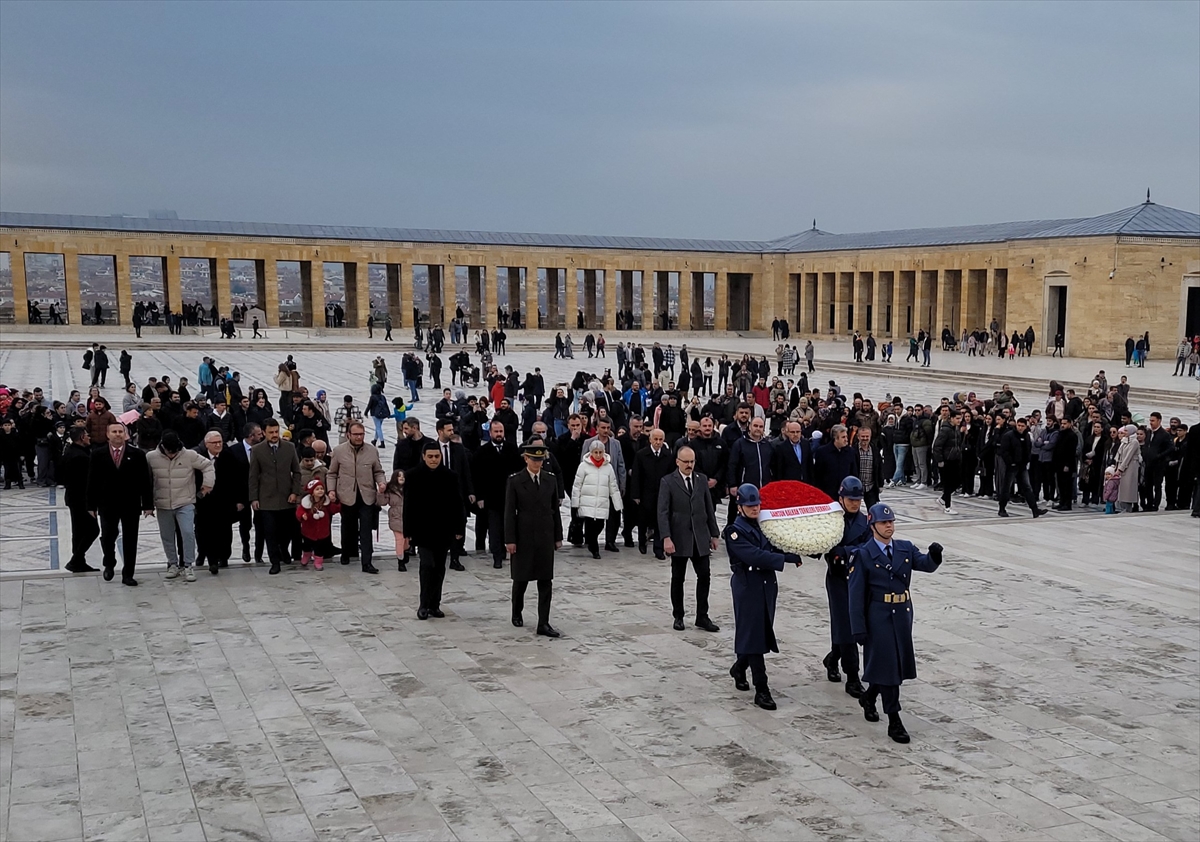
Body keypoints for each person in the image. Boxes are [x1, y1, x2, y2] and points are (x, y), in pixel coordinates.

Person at [848, 503, 944, 743]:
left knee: (894, 666)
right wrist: (858, 627)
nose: (889, 526)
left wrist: (934, 556)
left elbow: (925, 565)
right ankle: (894, 719)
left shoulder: (904, 548)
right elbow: (855, 595)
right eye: (883, 523)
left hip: (901, 615)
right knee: (889, 668)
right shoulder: (863, 554)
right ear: (873, 525)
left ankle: (869, 697)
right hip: (878, 617)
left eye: (891, 522)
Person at [724, 483, 803, 711]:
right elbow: (755, 556)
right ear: (739, 507)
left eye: (756, 504)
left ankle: (739, 668)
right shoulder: (734, 531)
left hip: (766, 586)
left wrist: (795, 552)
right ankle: (762, 688)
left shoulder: (763, 526)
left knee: (759, 632)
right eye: (749, 505)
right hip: (748, 587)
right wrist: (784, 560)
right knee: (755, 636)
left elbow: (776, 545)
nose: (754, 508)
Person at [658, 445, 720, 633]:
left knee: (705, 576)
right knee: (678, 578)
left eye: (692, 461)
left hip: (699, 536)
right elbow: (663, 512)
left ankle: (702, 616)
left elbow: (708, 507)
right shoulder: (668, 481)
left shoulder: (701, 480)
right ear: (678, 462)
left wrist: (714, 533)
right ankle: (678, 615)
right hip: (679, 536)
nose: (689, 465)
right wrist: (666, 538)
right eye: (686, 462)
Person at [505, 443, 564, 636]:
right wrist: (510, 539)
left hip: (545, 536)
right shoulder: (515, 481)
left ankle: (543, 622)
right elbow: (509, 513)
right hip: (524, 536)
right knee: (521, 579)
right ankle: (516, 611)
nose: (537, 462)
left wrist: (558, 536)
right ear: (526, 459)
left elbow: (554, 510)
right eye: (533, 459)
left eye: (540, 459)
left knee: (545, 580)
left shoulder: (550, 479)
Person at [87, 421, 154, 586]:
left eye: (120, 431)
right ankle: (109, 562)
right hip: (107, 503)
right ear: (108, 435)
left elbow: (145, 481)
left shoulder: (137, 454)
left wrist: (147, 504)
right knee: (108, 536)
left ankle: (128, 573)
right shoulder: (97, 454)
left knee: (131, 539)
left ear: (125, 434)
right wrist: (90, 505)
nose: (117, 434)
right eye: (114, 431)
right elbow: (92, 481)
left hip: (130, 503)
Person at [822, 477, 870, 698]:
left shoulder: (866, 522)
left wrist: (845, 551)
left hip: (858, 579)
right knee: (845, 624)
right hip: (838, 578)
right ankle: (852, 677)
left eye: (858, 499)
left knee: (850, 624)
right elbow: (821, 546)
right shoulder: (830, 520)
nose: (854, 503)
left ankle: (832, 658)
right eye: (850, 499)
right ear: (840, 498)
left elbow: (868, 548)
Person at [327, 421, 387, 574]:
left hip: (366, 495)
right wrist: (331, 490)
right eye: (356, 434)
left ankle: (367, 562)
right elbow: (332, 473)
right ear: (348, 435)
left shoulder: (372, 450)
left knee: (366, 529)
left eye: (361, 434)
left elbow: (378, 471)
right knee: (348, 527)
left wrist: (381, 483)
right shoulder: (339, 451)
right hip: (347, 494)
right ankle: (347, 552)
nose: (359, 437)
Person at [248, 418, 303, 575]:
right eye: (270, 432)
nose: (274, 435)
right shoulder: (257, 450)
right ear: (264, 433)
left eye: (276, 432)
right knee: (270, 532)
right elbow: (253, 476)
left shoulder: (289, 447)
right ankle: (274, 562)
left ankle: (283, 550)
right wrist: (254, 498)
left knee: (287, 531)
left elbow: (297, 471)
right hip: (266, 498)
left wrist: (295, 492)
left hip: (287, 498)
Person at [194, 430, 244, 574]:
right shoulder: (199, 458)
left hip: (225, 502)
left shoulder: (229, 456)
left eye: (220, 442)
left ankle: (224, 556)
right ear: (206, 444)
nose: (218, 445)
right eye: (214, 443)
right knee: (204, 531)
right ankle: (210, 558)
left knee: (224, 531)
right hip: (204, 502)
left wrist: (239, 500)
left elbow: (238, 480)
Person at [570, 439, 624, 559]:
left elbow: (613, 487)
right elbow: (577, 485)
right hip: (587, 502)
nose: (598, 455)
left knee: (599, 525)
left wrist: (618, 504)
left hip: (602, 502)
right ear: (591, 452)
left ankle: (591, 542)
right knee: (590, 527)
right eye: (596, 452)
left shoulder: (608, 467)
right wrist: (575, 503)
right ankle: (594, 549)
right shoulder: (583, 466)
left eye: (600, 452)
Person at [434, 417, 475, 571]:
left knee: (459, 523)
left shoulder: (458, 448)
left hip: (457, 493)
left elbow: (466, 471)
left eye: (452, 429)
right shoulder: (431, 448)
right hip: (438, 495)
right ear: (440, 431)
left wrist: (470, 491)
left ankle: (456, 557)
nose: (452, 432)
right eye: (449, 430)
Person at [57, 427, 100, 572]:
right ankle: (76, 559)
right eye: (87, 435)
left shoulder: (71, 451)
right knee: (92, 529)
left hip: (73, 497)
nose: (89, 437)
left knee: (79, 531)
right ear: (82, 437)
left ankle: (79, 561)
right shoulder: (80, 457)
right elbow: (86, 482)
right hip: (81, 499)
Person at [631, 428, 675, 559]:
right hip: (646, 493)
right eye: (655, 439)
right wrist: (636, 494)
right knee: (643, 520)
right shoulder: (641, 454)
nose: (658, 442)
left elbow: (671, 475)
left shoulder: (668, 455)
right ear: (650, 440)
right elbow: (636, 476)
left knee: (659, 521)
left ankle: (658, 549)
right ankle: (642, 542)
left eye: (660, 439)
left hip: (662, 493)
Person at [295, 478, 340, 570]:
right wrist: (302, 515)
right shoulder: (306, 503)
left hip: (322, 531)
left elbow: (334, 509)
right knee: (307, 545)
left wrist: (335, 502)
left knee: (320, 548)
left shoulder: (326, 503)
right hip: (308, 530)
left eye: (321, 489)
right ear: (312, 492)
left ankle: (318, 562)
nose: (320, 491)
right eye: (317, 489)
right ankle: (306, 555)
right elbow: (299, 511)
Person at [931, 411, 965, 515]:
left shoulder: (956, 430)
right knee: (948, 483)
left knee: (958, 481)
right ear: (952, 418)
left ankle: (943, 498)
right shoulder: (945, 430)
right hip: (946, 460)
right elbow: (937, 446)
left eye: (960, 418)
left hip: (955, 459)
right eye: (957, 418)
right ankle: (947, 506)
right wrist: (940, 460)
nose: (959, 421)